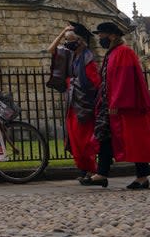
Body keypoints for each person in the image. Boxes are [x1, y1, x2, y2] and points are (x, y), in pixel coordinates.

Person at [81, 21, 150, 190]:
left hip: (124, 106)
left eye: (101, 35)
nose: (99, 38)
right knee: (104, 137)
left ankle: (142, 177)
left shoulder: (123, 52)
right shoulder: (113, 53)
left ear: (112, 35)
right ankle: (102, 174)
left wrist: (116, 102)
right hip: (109, 104)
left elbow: (125, 79)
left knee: (134, 140)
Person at [48, 22, 100, 181]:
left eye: (70, 40)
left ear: (80, 41)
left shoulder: (87, 57)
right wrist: (63, 31)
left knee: (84, 138)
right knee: (74, 138)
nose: (67, 43)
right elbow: (51, 49)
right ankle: (85, 169)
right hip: (72, 102)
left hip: (83, 104)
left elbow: (95, 82)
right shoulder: (70, 55)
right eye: (66, 40)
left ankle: (92, 170)